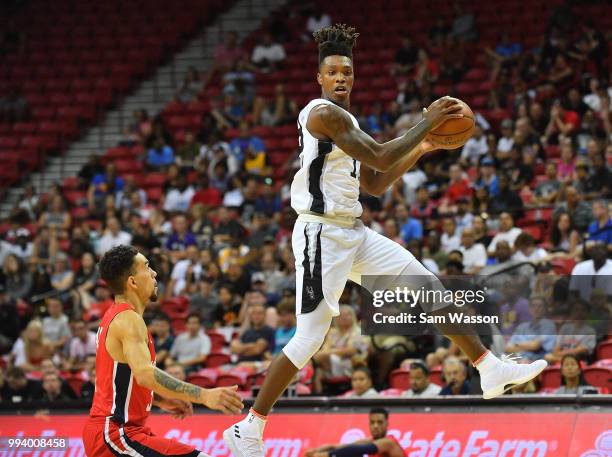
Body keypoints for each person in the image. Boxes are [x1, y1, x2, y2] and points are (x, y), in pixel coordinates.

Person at [224, 24, 546, 457]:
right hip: (321, 233)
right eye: (333, 71)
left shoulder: (348, 120)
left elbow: (374, 182)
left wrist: (423, 145)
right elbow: (377, 154)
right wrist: (425, 121)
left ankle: (488, 367)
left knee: (428, 287)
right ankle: (249, 427)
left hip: (351, 230)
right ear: (319, 78)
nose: (341, 78)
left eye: (348, 72)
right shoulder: (324, 114)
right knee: (309, 338)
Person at [82, 245, 243, 457]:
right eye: (147, 267)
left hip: (116, 432)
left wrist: (159, 399)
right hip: (115, 434)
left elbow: (121, 381)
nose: (154, 273)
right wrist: (203, 395)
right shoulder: (128, 319)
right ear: (132, 281)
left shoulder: (118, 317)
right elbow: (145, 374)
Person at [304, 408, 404, 457]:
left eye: (379, 422)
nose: (375, 426)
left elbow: (359, 449)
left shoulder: (389, 442)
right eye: (372, 422)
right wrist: (316, 451)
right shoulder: (370, 440)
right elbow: (342, 447)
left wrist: (326, 455)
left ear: (387, 424)